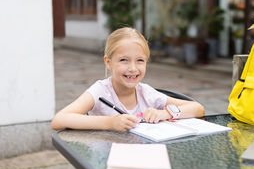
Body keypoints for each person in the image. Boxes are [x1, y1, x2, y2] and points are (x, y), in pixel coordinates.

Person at [51, 27, 205, 131]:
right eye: (124, 60)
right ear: (108, 62)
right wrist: (110, 123)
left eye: (140, 60)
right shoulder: (100, 91)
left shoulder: (146, 93)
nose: (133, 68)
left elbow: (198, 108)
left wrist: (164, 113)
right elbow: (59, 120)